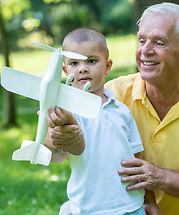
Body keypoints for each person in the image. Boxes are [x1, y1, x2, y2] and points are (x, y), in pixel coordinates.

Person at [45, 2, 179, 215]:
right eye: (141, 40)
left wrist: (159, 177)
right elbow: (62, 153)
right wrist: (54, 140)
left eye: (159, 42)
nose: (145, 51)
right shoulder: (110, 95)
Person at [45, 27, 160, 215]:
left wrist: (151, 202)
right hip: (88, 208)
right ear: (65, 70)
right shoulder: (66, 112)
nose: (82, 68)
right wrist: (52, 138)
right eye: (74, 63)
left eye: (91, 61)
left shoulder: (122, 111)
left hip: (131, 206)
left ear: (107, 66)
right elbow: (55, 151)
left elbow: (138, 161)